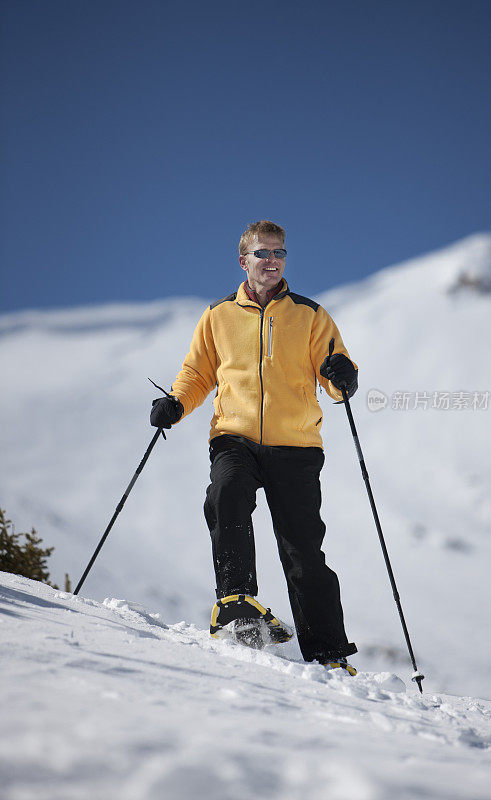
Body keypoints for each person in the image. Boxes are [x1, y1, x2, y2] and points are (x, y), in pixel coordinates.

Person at [150, 220, 359, 672]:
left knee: (303, 552)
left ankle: (328, 654)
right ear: (243, 260)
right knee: (226, 493)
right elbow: (198, 374)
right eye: (262, 253)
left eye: (279, 253)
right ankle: (236, 598)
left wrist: (344, 376)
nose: (272, 261)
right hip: (235, 436)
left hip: (296, 446)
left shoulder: (310, 315)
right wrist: (175, 403)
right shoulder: (217, 315)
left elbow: (335, 376)